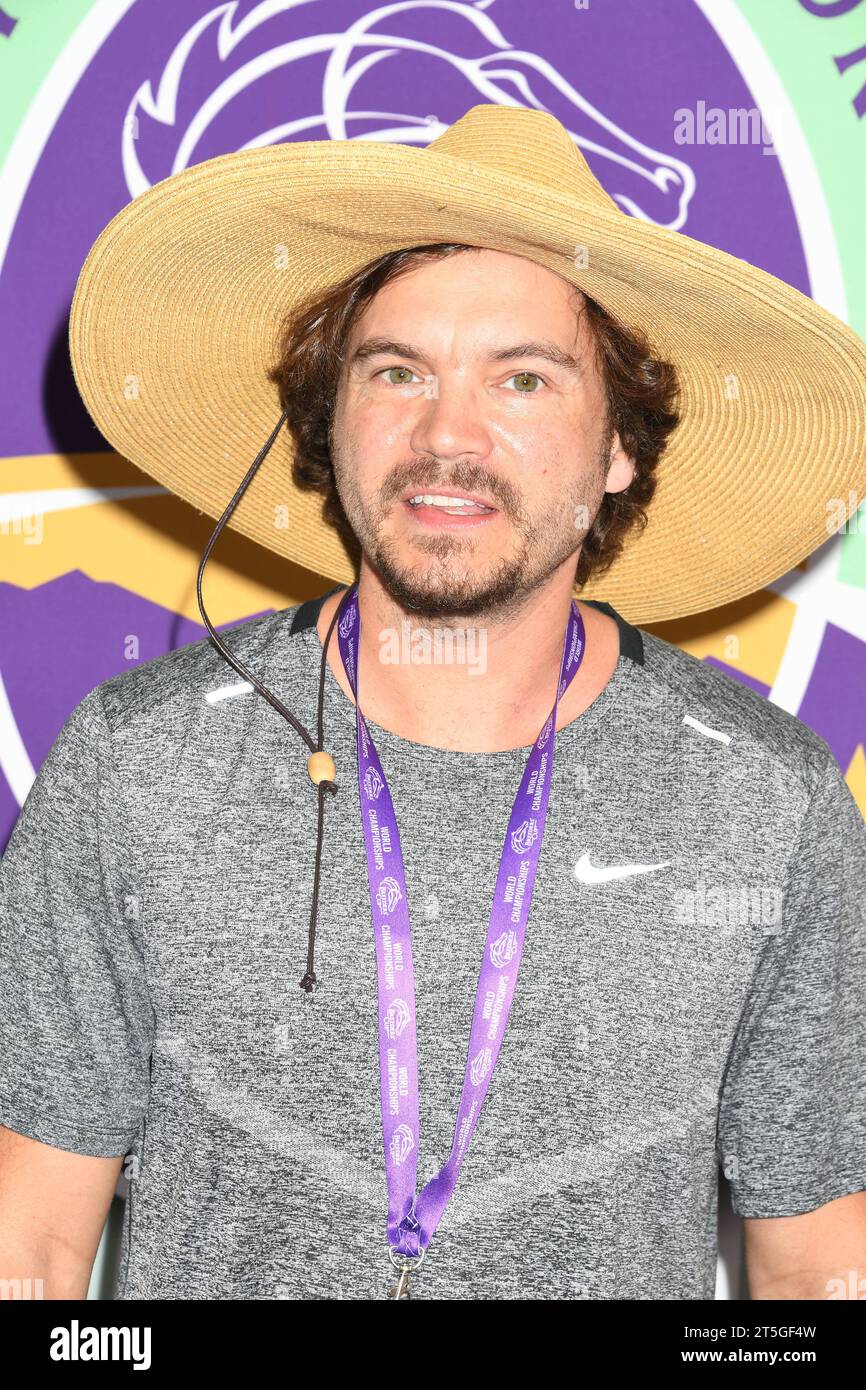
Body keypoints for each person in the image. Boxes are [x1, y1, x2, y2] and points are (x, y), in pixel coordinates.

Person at [1, 103, 865, 1302]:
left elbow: (819, 1264)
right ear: (330, 418)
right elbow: (31, 1244)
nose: (444, 435)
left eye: (520, 378)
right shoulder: (134, 763)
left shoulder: (765, 803)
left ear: (617, 444)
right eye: (396, 371)